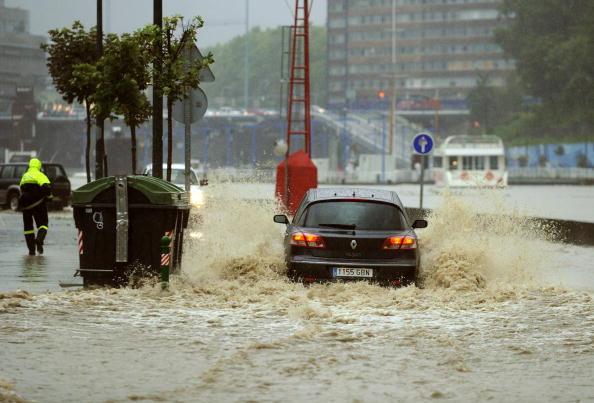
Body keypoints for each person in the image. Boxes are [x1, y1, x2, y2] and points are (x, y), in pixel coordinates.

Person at [19, 158, 53, 255]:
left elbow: (21, 188)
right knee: (43, 224)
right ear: (39, 166)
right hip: (38, 205)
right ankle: (39, 240)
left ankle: (31, 251)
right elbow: (47, 187)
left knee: (28, 228)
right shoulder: (40, 175)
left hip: (25, 206)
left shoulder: (25, 175)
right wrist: (49, 198)